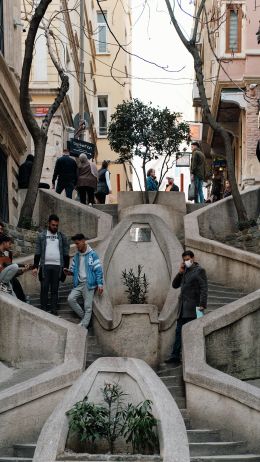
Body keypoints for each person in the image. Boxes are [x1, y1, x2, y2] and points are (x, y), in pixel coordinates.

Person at [165, 250, 208, 365]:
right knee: (178, 332)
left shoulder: (199, 271)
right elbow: (174, 285)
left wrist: (202, 304)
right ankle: (175, 356)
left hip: (194, 308)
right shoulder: (184, 271)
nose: (186, 261)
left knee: (193, 333)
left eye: (188, 259)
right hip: (182, 309)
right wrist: (180, 273)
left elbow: (204, 288)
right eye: (184, 260)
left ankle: (194, 358)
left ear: (193, 258)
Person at [32, 214, 69, 315]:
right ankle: (43, 308)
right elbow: (38, 252)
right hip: (45, 266)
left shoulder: (61, 236)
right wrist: (35, 266)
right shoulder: (42, 235)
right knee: (44, 287)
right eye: (53, 225)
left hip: (58, 267)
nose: (55, 227)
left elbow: (66, 253)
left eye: (57, 225)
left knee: (55, 289)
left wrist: (65, 268)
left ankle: (53, 309)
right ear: (48, 224)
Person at [65, 233, 103, 329]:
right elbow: (73, 269)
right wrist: (69, 272)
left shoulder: (93, 255)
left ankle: (84, 325)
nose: (76, 246)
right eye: (75, 244)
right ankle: (85, 318)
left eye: (77, 243)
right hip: (79, 283)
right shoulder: (76, 256)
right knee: (70, 299)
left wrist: (100, 284)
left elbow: (98, 270)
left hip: (88, 283)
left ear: (83, 241)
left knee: (87, 306)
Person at [0, 224, 27, 301]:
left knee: (12, 289)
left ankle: (21, 302)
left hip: (4, 278)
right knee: (14, 266)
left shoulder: (6, 254)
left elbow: (8, 269)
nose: (10, 246)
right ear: (4, 243)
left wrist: (23, 270)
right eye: (9, 243)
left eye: (1, 229)